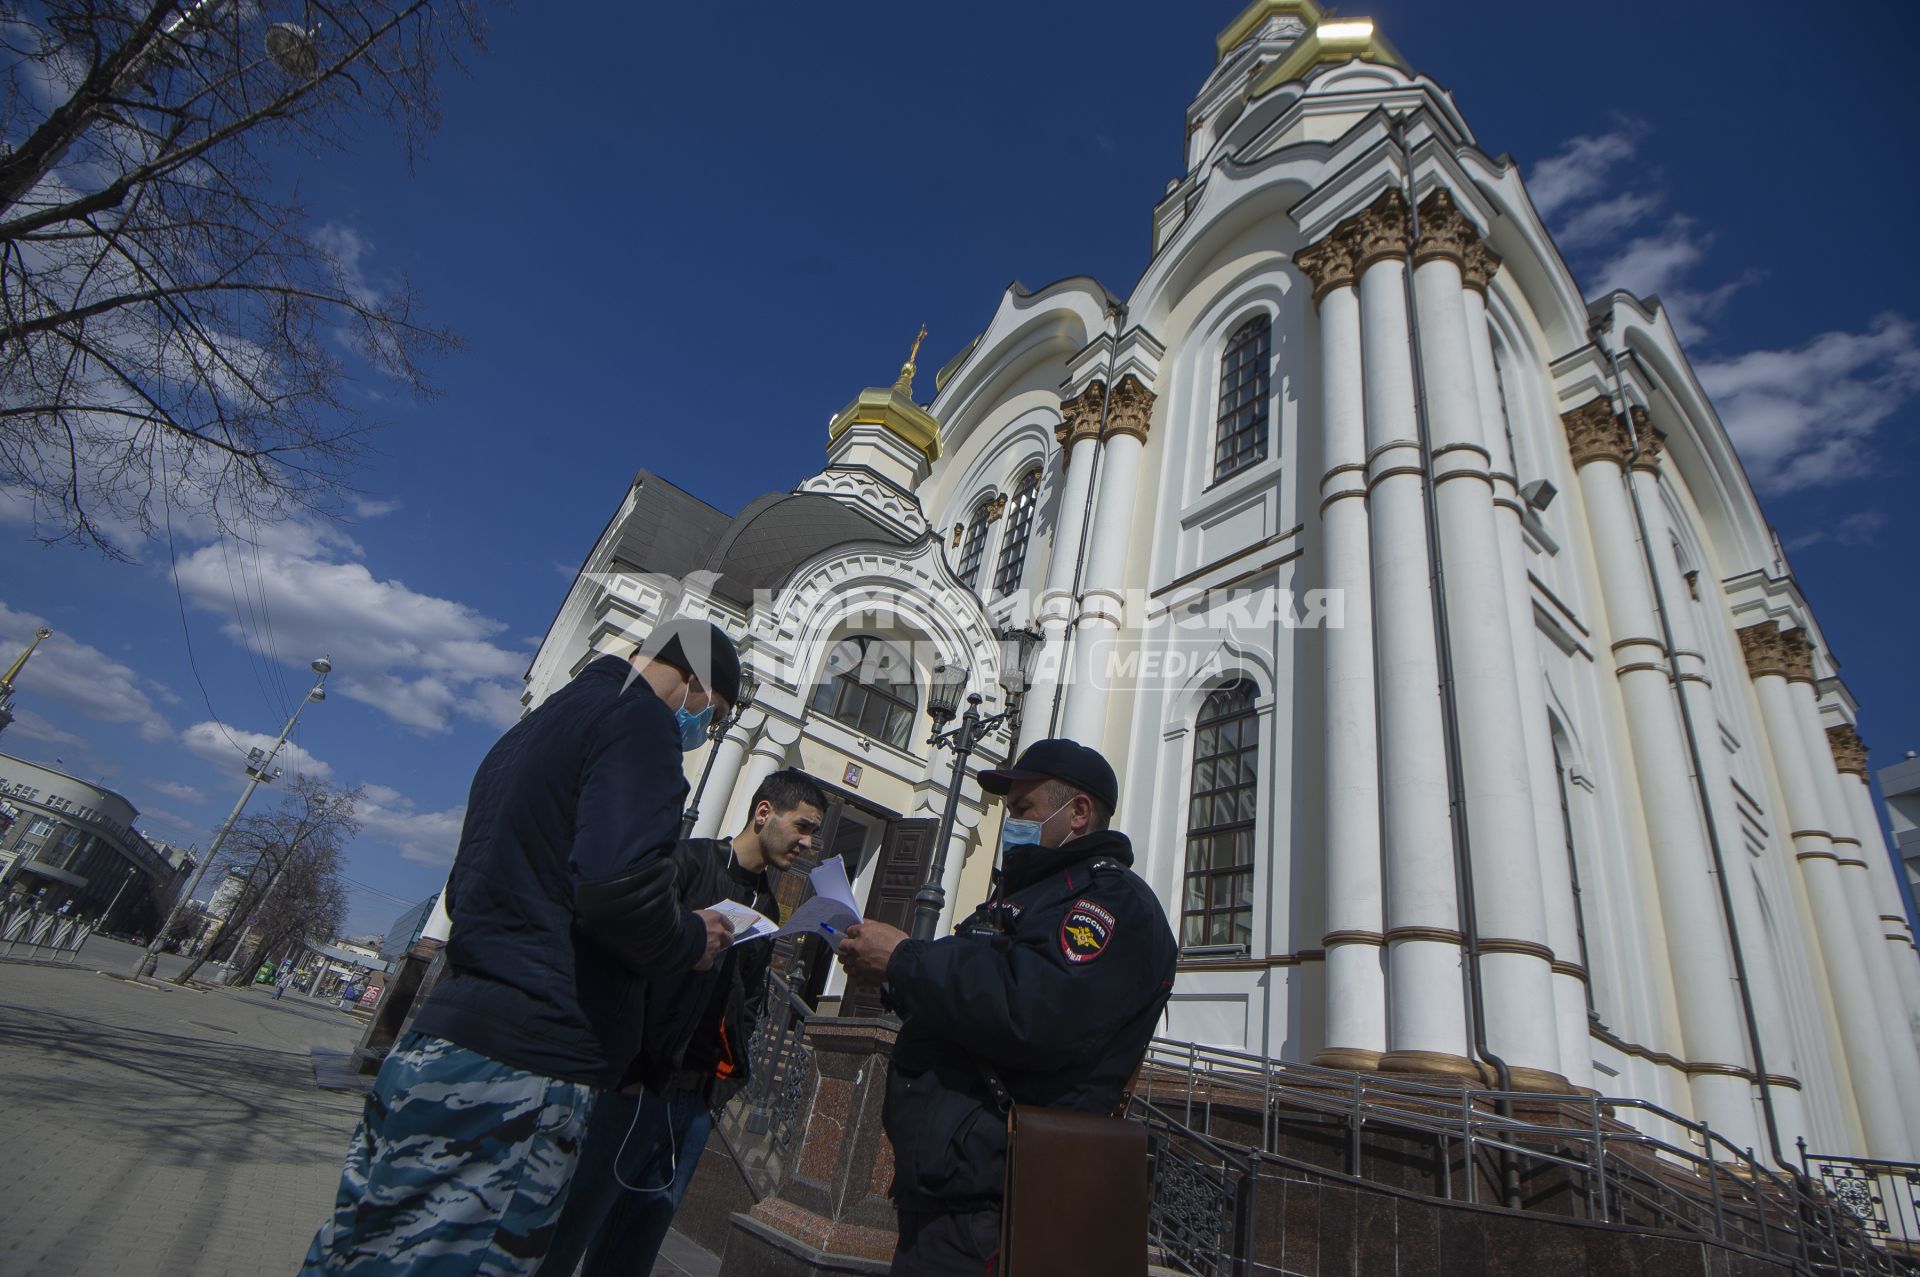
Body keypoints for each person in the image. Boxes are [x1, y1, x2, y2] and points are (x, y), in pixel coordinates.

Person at [301, 619, 744, 1276]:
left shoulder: (531, 730)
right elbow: (618, 888)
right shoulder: (639, 719)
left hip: (442, 1040)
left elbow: (471, 885)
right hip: (523, 1069)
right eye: (716, 718)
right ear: (696, 682)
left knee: (362, 1251)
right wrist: (689, 936)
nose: (704, 734)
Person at [837, 738, 1177, 1277]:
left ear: (1079, 813)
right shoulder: (1030, 893)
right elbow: (971, 995)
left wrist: (904, 960)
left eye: (1023, 809)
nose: (1010, 822)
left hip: (1000, 1198)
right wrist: (892, 978)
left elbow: (1034, 1009)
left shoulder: (1110, 903)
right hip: (947, 1184)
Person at [538, 769, 828, 1277]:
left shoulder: (766, 903)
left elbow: (750, 997)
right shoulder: (687, 863)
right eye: (801, 827)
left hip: (692, 1103)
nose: (807, 844)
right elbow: (628, 961)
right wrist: (625, 1065)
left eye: (813, 834)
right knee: (567, 1234)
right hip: (632, 1087)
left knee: (633, 1250)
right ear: (764, 812)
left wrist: (722, 1082)